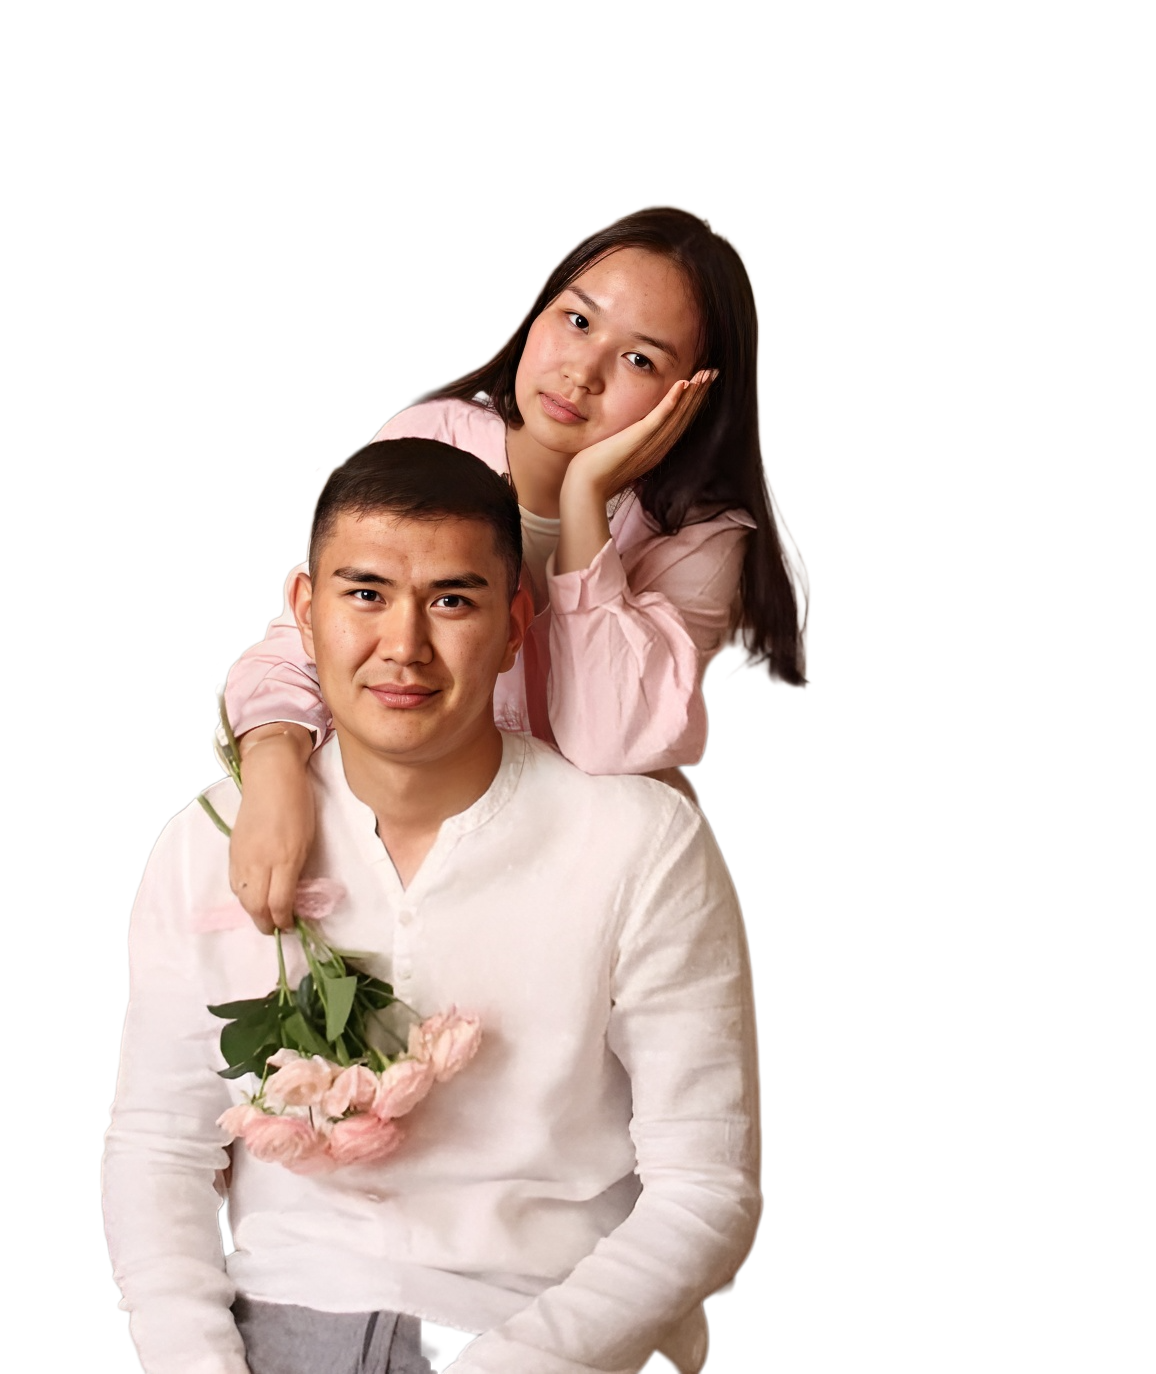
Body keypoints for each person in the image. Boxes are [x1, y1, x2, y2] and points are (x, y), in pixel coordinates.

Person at [102, 439, 762, 1374]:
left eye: (452, 600)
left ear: (516, 624)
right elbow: (160, 1147)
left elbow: (706, 1189)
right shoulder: (209, 841)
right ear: (306, 612)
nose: (404, 647)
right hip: (279, 1323)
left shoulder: (639, 843)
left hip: (538, 1331)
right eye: (366, 595)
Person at [222, 203, 811, 932]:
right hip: (406, 826)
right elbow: (315, 638)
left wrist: (584, 497)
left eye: (640, 360)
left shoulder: (697, 537)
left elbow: (610, 744)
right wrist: (274, 771)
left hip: (578, 871)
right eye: (578, 320)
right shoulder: (434, 437)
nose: (581, 373)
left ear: (692, 395)